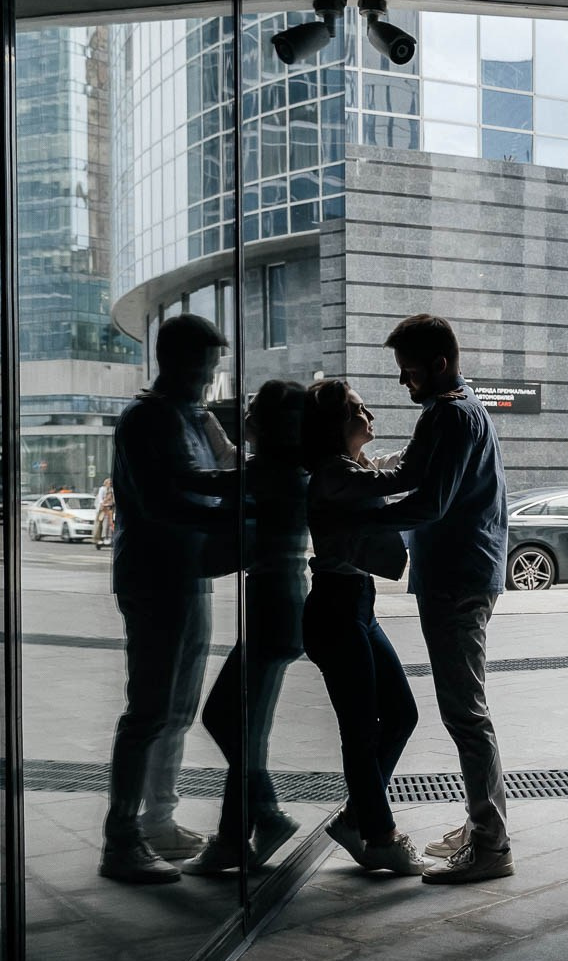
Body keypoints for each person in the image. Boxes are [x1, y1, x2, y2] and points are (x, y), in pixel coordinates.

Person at [342, 314, 511, 885]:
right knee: (467, 712)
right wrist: (357, 476)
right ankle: (483, 824)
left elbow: (429, 500)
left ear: (437, 364)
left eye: (407, 370)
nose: (401, 382)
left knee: (465, 714)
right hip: (462, 573)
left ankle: (491, 844)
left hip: (457, 579)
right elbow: (412, 471)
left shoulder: (449, 415)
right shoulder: (460, 409)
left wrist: (356, 520)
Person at [100, 314, 235, 884]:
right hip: (154, 577)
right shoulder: (143, 420)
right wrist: (242, 514)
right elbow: (162, 502)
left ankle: (159, 821)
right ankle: (121, 838)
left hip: (190, 572)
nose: (209, 380)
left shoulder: (193, 416)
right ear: (175, 361)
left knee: (178, 710)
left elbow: (228, 468)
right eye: (203, 368)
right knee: (150, 710)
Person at [301, 379, 420, 873]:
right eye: (356, 408)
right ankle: (380, 835)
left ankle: (358, 818)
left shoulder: (349, 469)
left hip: (357, 605)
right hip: (335, 607)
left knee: (400, 715)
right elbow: (390, 484)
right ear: (336, 425)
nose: (367, 411)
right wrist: (433, 446)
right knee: (360, 730)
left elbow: (387, 472)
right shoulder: (332, 474)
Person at [190, 380, 308, 876]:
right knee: (244, 725)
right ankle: (240, 832)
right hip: (284, 603)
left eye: (255, 411)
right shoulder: (288, 469)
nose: (249, 417)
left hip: (270, 605)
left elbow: (208, 486)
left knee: (228, 718)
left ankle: (253, 824)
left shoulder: (263, 474)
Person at [92, 475, 114, 548]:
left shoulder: (112, 489)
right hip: (102, 509)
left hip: (110, 509)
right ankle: (100, 538)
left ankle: (108, 538)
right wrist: (103, 504)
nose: (110, 484)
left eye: (111, 483)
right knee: (100, 524)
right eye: (108, 483)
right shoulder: (102, 489)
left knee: (109, 524)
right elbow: (100, 499)